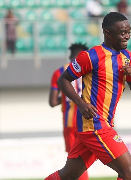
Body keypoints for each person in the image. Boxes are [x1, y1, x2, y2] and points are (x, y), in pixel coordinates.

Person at [45, 12, 131, 180]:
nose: (127, 36)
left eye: (128, 31)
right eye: (122, 33)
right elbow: (64, 80)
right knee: (129, 172)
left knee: (67, 175)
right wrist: (81, 104)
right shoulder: (91, 56)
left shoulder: (127, 57)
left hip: (102, 124)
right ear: (108, 33)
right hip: (95, 124)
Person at [49, 42, 89, 180]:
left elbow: (53, 102)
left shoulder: (59, 72)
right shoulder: (89, 71)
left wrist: (68, 97)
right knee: (83, 158)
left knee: (75, 158)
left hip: (69, 123)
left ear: (70, 55)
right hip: (88, 120)